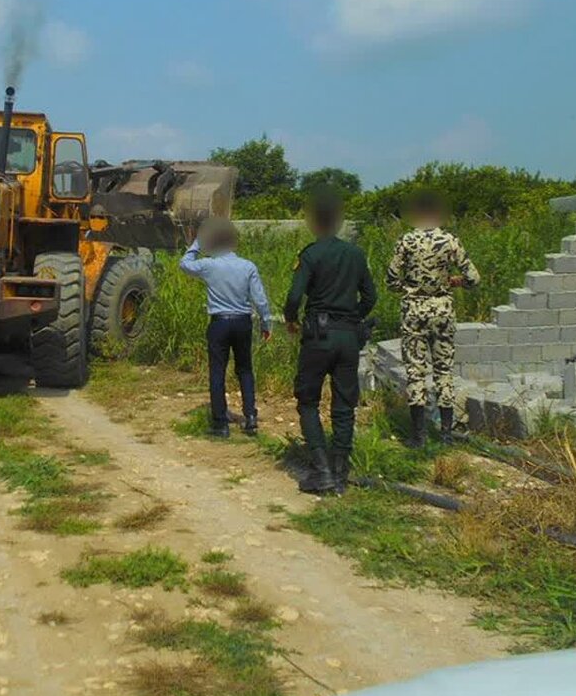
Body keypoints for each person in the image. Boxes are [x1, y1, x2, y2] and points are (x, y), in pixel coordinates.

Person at [284, 192, 377, 495]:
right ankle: (340, 473)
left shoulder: (310, 255)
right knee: (344, 404)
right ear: (337, 222)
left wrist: (291, 319)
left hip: (318, 336)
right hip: (348, 337)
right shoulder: (355, 254)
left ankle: (321, 470)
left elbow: (294, 297)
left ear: (314, 223)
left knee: (308, 400)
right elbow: (371, 297)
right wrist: (352, 318)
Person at [385, 189, 481, 447]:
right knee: (444, 370)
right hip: (442, 310)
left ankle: (418, 436)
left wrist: (410, 288)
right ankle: (446, 434)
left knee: (415, 372)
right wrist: (454, 282)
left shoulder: (406, 241)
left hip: (414, 311)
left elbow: (391, 280)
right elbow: (473, 278)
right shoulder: (450, 241)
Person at [179, 218, 273, 438]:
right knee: (245, 369)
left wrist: (198, 242)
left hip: (219, 322)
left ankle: (220, 423)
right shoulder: (248, 266)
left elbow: (184, 264)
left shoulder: (209, 265)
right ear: (233, 242)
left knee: (217, 371)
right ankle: (250, 417)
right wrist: (266, 323)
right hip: (242, 322)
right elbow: (260, 299)